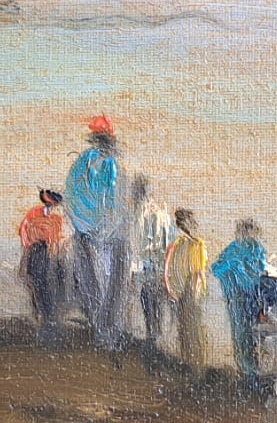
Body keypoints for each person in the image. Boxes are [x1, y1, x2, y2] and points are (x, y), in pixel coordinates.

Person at [65, 115, 125, 352]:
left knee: (99, 283)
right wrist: (97, 227)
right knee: (104, 283)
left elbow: (73, 198)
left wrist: (88, 226)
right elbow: (109, 201)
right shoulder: (100, 164)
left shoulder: (88, 163)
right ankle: (104, 332)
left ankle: (104, 331)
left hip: (94, 233)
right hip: (97, 233)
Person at [211, 219, 269, 387]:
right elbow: (216, 269)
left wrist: (234, 266)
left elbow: (262, 271)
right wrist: (233, 265)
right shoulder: (239, 248)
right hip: (241, 298)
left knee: (247, 336)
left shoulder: (252, 249)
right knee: (245, 336)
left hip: (247, 298)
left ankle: (251, 374)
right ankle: (250, 374)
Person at [128, 175, 175, 371]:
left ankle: (153, 349)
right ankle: (155, 347)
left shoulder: (138, 215)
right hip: (159, 270)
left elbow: (135, 247)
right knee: (156, 310)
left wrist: (133, 272)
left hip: (148, 271)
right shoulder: (162, 214)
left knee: (150, 310)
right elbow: (170, 243)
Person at [17, 189, 69, 348]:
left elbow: (58, 241)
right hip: (38, 255)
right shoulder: (36, 214)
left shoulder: (55, 218)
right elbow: (24, 234)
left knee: (47, 294)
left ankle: (47, 326)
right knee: (41, 292)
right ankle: (46, 326)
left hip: (48, 257)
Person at [164, 209, 210, 378]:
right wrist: (200, 293)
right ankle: (197, 370)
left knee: (185, 331)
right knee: (194, 331)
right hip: (191, 292)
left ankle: (190, 368)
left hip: (180, 292)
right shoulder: (197, 245)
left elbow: (167, 270)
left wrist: (171, 290)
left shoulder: (175, 245)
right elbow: (199, 272)